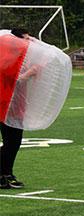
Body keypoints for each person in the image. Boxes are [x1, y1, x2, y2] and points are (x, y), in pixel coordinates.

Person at [0, 28, 37, 189]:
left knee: (15, 142)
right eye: (25, 39)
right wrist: (28, 74)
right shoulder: (7, 56)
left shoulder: (23, 56)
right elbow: (11, 80)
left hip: (17, 107)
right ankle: (2, 173)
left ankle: (7, 172)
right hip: (5, 106)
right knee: (10, 142)